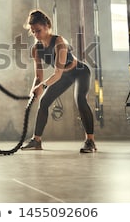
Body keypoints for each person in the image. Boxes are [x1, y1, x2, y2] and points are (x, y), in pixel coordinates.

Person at [21, 9, 97, 153]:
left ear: (47, 26)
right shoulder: (35, 49)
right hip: (64, 76)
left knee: (80, 100)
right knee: (43, 102)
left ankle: (90, 141)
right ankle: (36, 141)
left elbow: (57, 73)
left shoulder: (59, 42)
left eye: (38, 30)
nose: (36, 35)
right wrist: (34, 89)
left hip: (80, 71)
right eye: (33, 31)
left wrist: (42, 86)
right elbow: (39, 76)